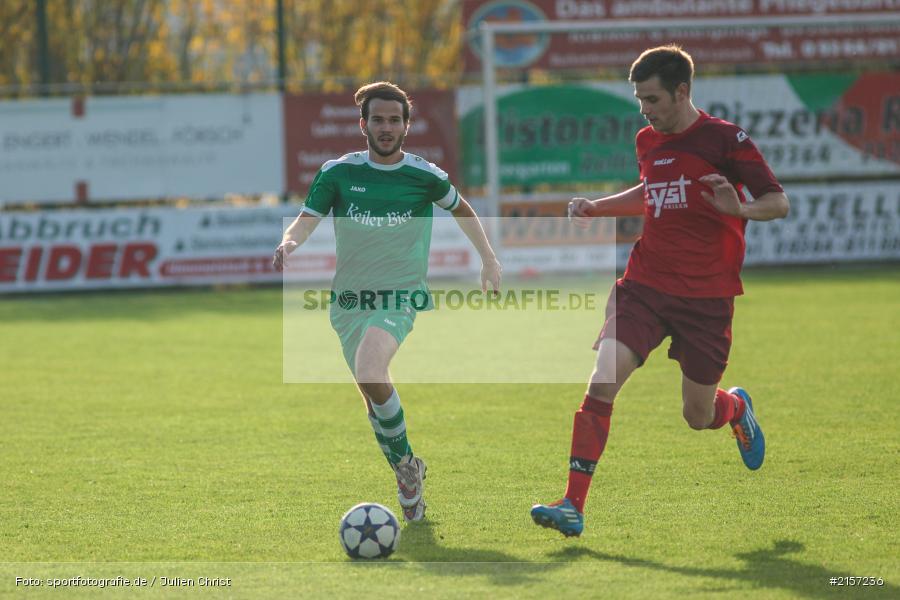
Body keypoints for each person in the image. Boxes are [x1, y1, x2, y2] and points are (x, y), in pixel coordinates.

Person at [531, 45, 790, 537]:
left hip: (707, 299)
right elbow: (649, 189)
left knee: (698, 414)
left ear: (682, 91)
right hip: (644, 286)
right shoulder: (647, 140)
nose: (644, 109)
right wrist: (597, 207)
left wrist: (739, 210)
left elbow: (778, 203)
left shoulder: (725, 139)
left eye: (652, 98)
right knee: (601, 382)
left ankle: (734, 408)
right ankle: (572, 504)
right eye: (638, 99)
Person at [274, 81, 502, 522]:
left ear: (406, 125)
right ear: (363, 124)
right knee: (372, 393)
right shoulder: (338, 173)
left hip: (399, 294)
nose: (385, 127)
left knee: (371, 371)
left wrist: (489, 260)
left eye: (394, 120)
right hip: (348, 303)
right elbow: (306, 220)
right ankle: (409, 469)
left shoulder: (424, 175)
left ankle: (405, 470)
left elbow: (463, 210)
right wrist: (289, 242)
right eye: (377, 119)